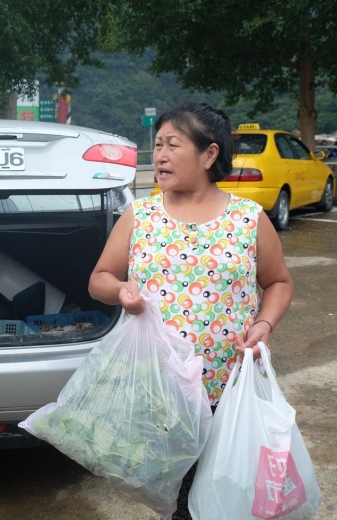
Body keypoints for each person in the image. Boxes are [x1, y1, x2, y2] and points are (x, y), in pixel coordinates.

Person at [89, 100, 293, 404]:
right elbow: (99, 279)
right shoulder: (139, 214)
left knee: (229, 454)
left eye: (173, 145)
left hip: (231, 388)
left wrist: (264, 325)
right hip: (152, 389)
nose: (160, 156)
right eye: (158, 145)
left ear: (209, 154)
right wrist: (120, 290)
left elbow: (279, 282)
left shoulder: (249, 218)